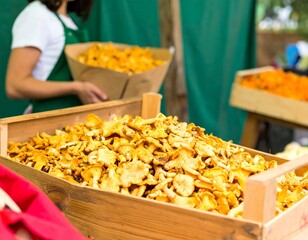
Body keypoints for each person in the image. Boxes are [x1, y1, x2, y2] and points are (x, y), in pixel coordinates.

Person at [5, 0, 108, 114]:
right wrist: (77, 88)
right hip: (46, 121)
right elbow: (15, 86)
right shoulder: (37, 15)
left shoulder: (68, 20)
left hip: (71, 122)